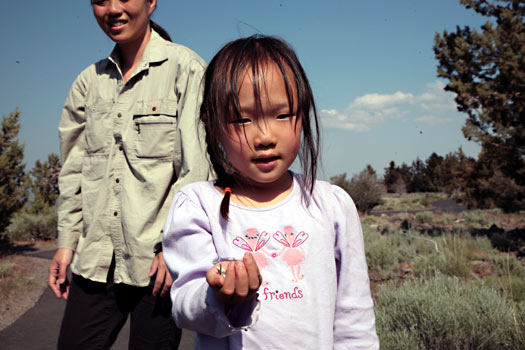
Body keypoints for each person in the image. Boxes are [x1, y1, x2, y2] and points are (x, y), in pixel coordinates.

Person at [162, 35, 379, 349]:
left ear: (303, 114)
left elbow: (353, 318)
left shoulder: (331, 204)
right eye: (242, 119)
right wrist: (220, 296)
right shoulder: (198, 205)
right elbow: (186, 307)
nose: (264, 136)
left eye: (282, 115)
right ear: (212, 124)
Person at [47, 0, 211, 348]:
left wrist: (174, 246)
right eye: (100, 0)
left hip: (156, 266)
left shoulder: (187, 69)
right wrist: (66, 244)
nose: (113, 9)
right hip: (95, 259)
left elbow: (197, 170)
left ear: (151, 2)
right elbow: (74, 169)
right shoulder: (87, 83)